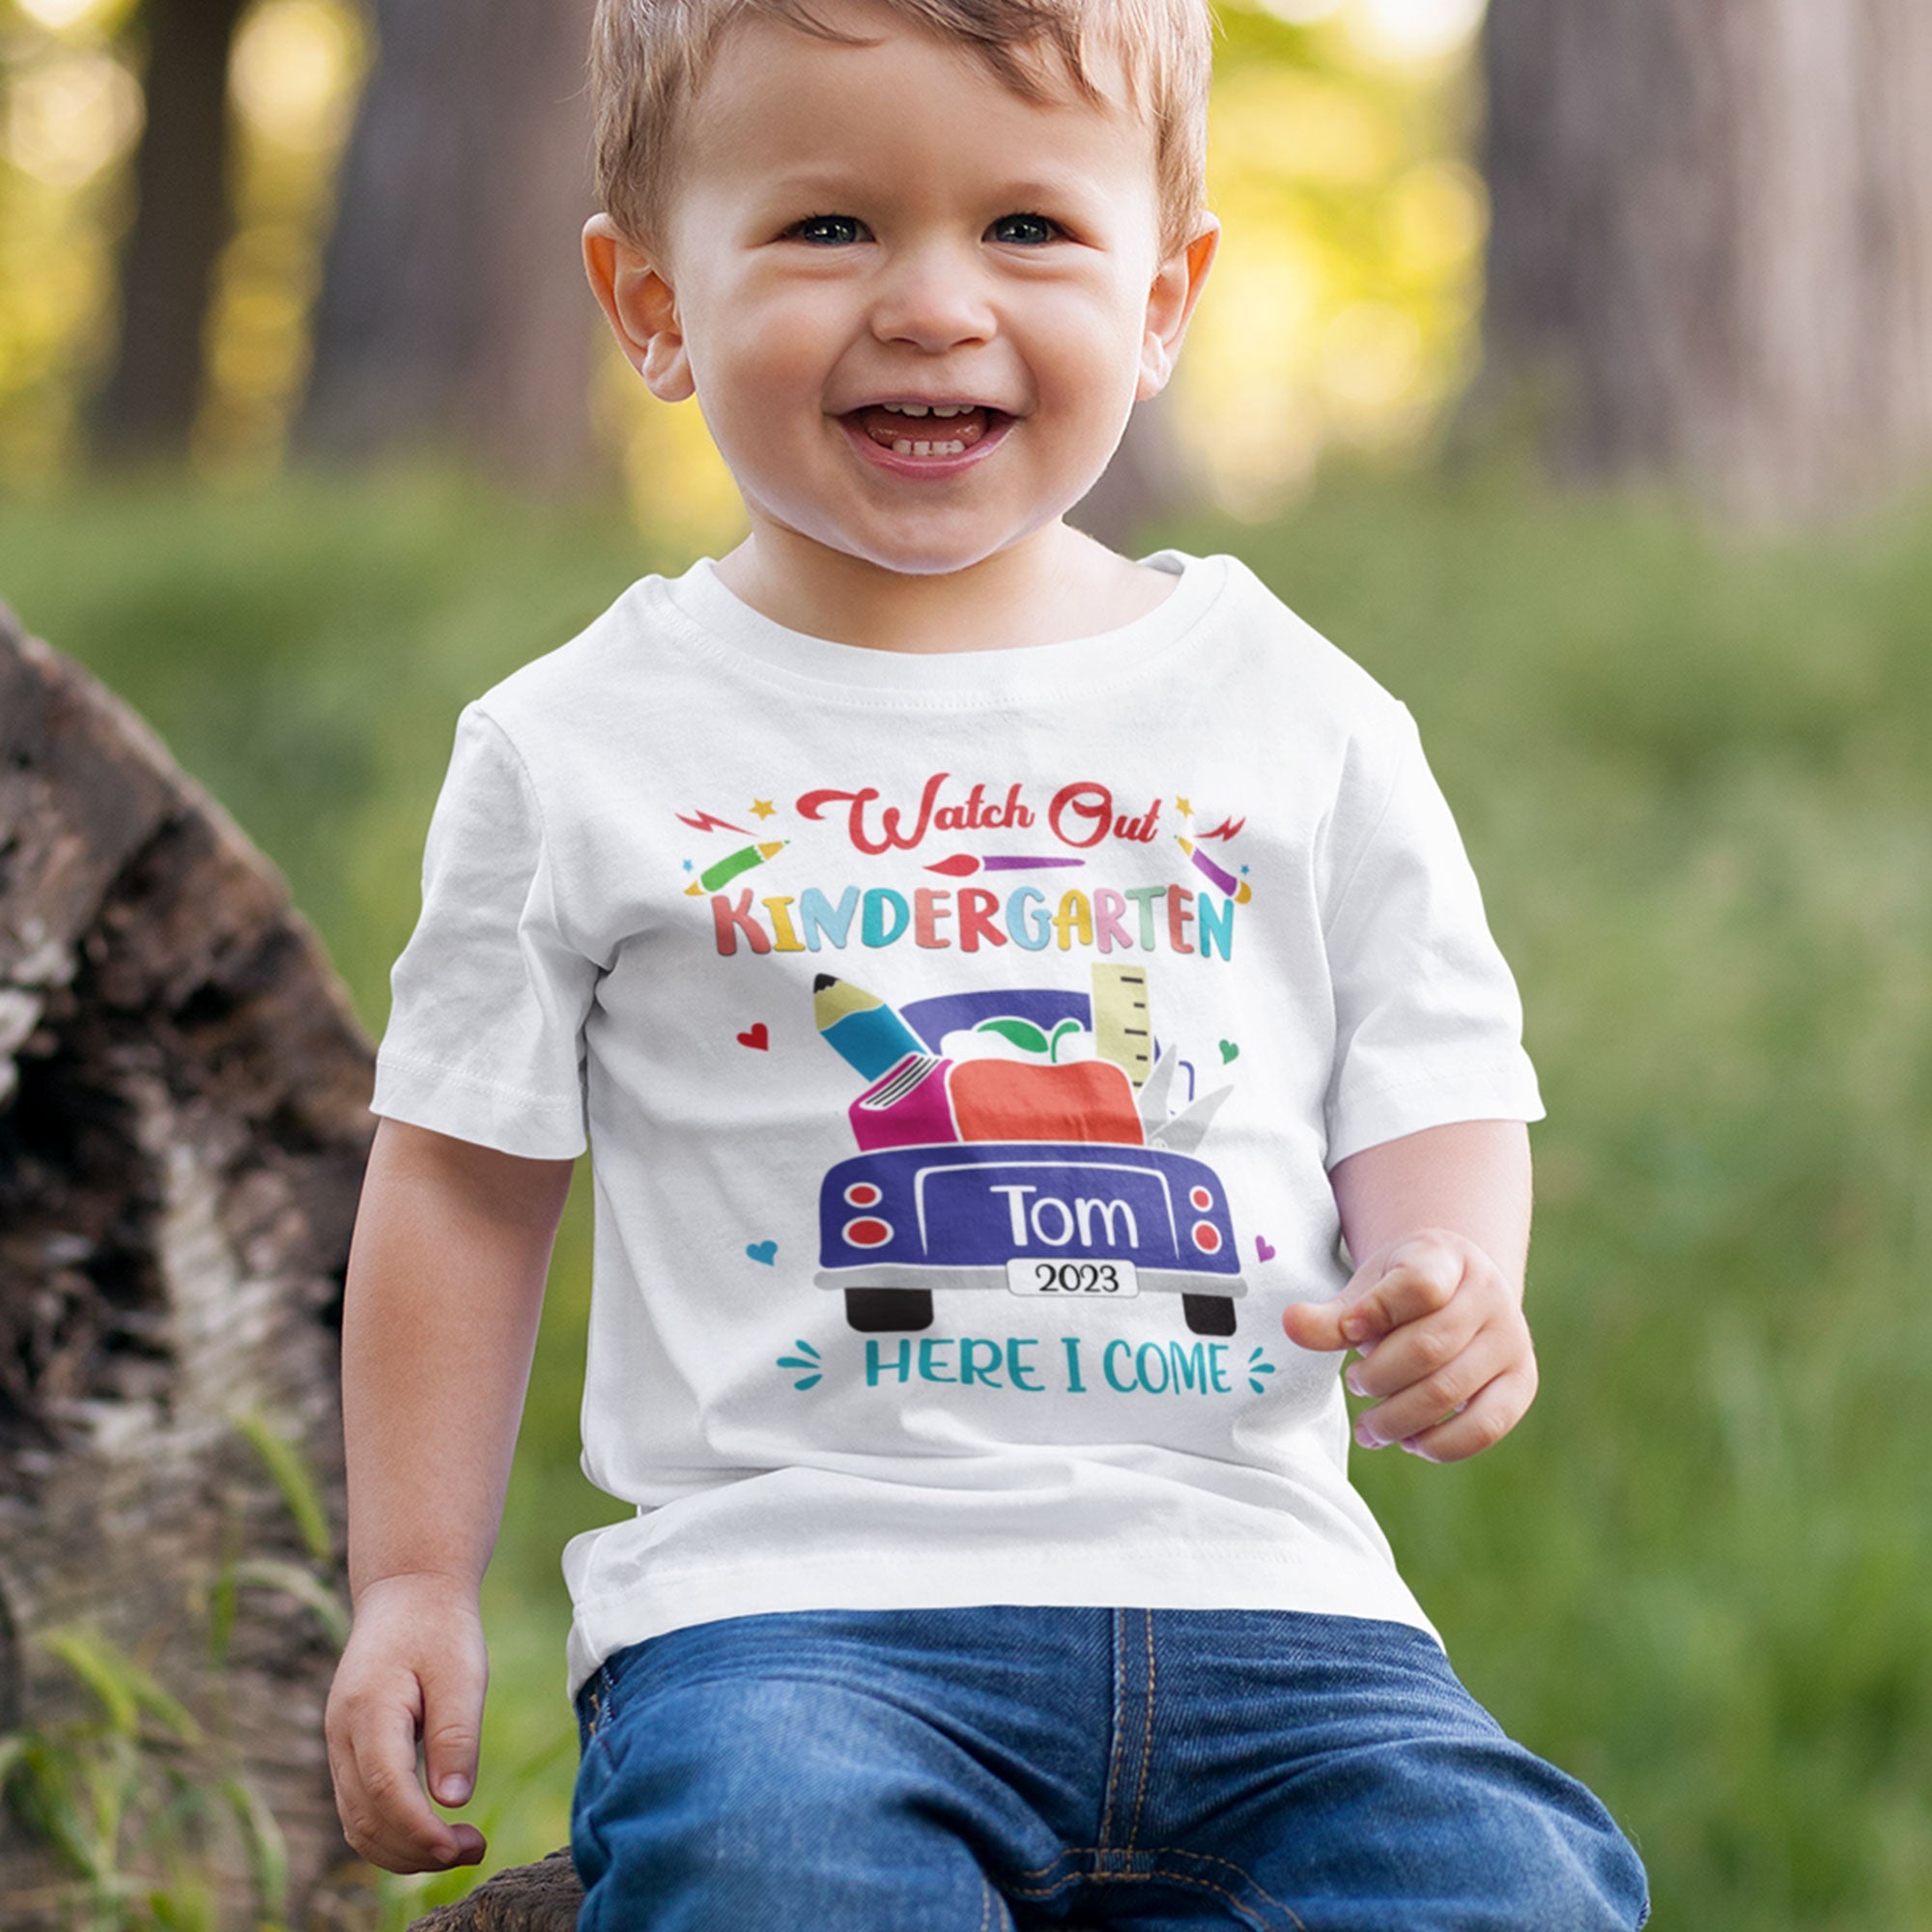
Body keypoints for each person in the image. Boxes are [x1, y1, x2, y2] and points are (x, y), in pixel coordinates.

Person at [324, 0, 1651, 1924]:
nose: (935, 305)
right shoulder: (579, 744)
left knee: (1509, 1881)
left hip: (1276, 1608)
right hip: (797, 1616)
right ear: (652, 305)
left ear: (1164, 298)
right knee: (771, 1866)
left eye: (1028, 227)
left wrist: (1452, 1270)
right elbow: (458, 1176)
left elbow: (1428, 1064)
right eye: (829, 226)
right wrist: (411, 1581)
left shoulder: (1292, 708)